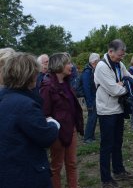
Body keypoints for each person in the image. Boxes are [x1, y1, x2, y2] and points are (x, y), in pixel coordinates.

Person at [0, 52, 60, 188]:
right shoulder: (25, 104)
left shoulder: (4, 97)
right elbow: (45, 137)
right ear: (29, 75)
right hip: (25, 174)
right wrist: (53, 124)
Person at [94, 39, 133, 188]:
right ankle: (106, 179)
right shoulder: (101, 66)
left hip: (119, 109)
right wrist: (123, 85)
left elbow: (132, 79)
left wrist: (123, 83)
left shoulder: (119, 64)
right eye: (120, 54)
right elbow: (114, 90)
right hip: (106, 111)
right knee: (106, 145)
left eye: (123, 55)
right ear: (111, 51)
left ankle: (119, 171)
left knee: (118, 142)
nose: (122, 57)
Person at [40, 52, 84, 188]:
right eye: (68, 63)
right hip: (57, 133)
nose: (71, 66)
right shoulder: (47, 87)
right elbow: (45, 114)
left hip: (71, 129)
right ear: (59, 66)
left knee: (72, 164)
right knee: (56, 166)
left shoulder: (67, 83)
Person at [82, 53, 100, 144]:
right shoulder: (87, 71)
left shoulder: (92, 70)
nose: (99, 62)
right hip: (91, 99)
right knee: (92, 118)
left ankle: (91, 136)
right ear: (94, 61)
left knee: (93, 117)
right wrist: (89, 103)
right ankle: (87, 138)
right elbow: (86, 89)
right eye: (98, 60)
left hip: (93, 98)